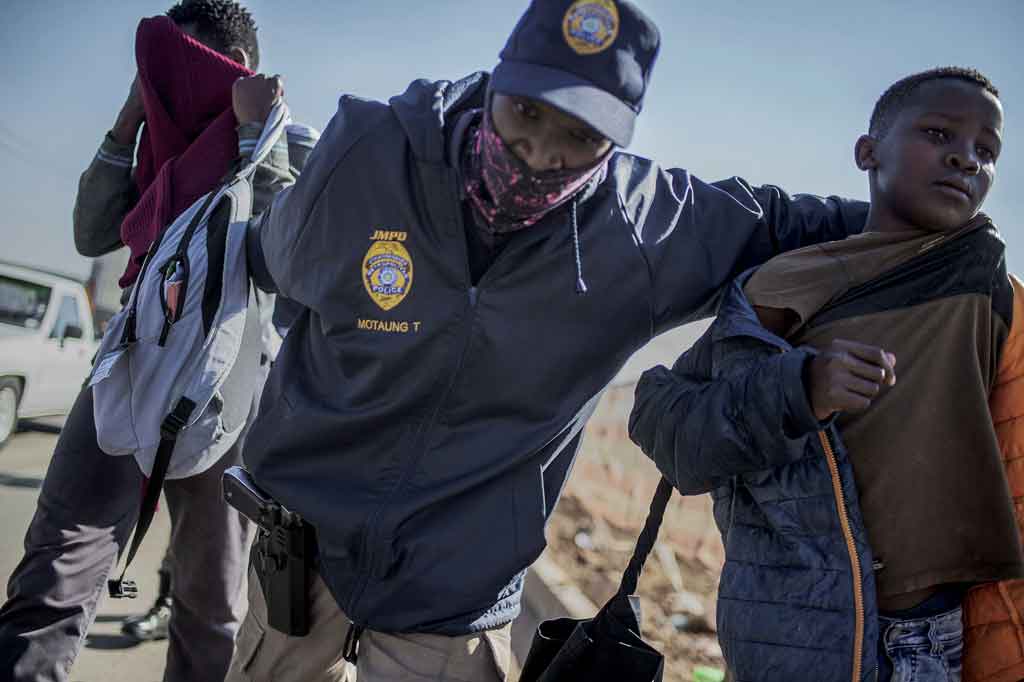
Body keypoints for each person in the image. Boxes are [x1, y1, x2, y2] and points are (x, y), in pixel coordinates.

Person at [225, 1, 868, 679]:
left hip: (453, 605)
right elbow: (277, 258)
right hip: (301, 563)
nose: (539, 155)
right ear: (496, 81)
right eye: (526, 113)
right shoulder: (370, 154)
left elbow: (803, 227)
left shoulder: (648, 232)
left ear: (617, 140)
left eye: (580, 135)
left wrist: (944, 224)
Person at [629, 67, 1022, 682]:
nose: (966, 160)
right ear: (868, 152)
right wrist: (797, 391)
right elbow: (664, 423)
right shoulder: (788, 283)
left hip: (937, 636)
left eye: (986, 150)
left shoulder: (988, 285)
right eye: (940, 133)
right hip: (797, 628)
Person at [0, 2, 318, 681]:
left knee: (209, 606)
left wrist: (260, 135)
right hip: (127, 366)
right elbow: (92, 235)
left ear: (240, 77)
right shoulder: (156, 152)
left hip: (222, 390)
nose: (175, 94)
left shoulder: (275, 141)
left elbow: (282, 260)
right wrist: (128, 120)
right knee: (53, 573)